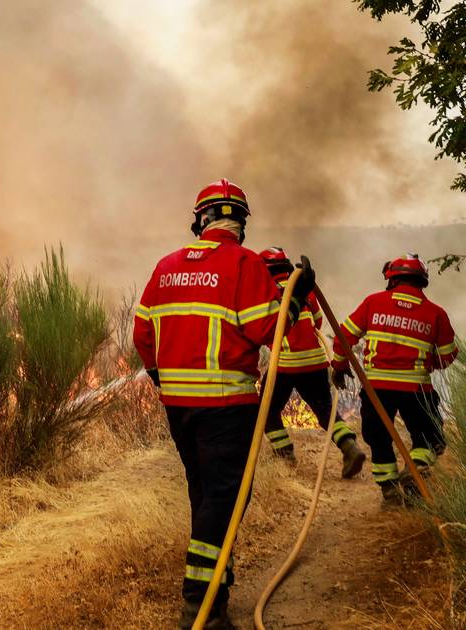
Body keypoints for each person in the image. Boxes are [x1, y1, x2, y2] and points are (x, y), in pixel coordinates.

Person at [134, 179, 314, 630]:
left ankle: (216, 586)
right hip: (226, 404)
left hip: (178, 406)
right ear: (241, 223)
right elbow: (269, 331)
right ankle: (200, 605)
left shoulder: (166, 266)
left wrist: (161, 377)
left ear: (201, 219)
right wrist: (299, 297)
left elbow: (142, 333)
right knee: (225, 500)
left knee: (205, 495)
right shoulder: (244, 264)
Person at [331, 254, 457, 506]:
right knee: (431, 438)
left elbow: (343, 336)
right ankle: (416, 468)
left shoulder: (373, 302)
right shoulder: (436, 313)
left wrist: (339, 365)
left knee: (379, 438)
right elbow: (448, 355)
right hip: (417, 388)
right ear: (422, 282)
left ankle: (389, 492)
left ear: (392, 279)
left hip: (377, 387)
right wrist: (428, 362)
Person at [257, 247, 366, 478]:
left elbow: (262, 329)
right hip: (316, 362)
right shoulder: (305, 290)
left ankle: (284, 456)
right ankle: (349, 446)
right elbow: (317, 323)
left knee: (265, 411)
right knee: (325, 411)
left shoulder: (266, 293)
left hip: (284, 363)